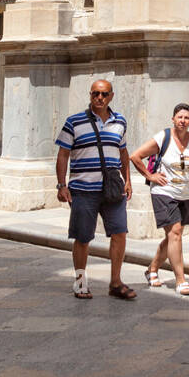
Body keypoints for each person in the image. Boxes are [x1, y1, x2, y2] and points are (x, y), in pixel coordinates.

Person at [55, 79, 136, 300]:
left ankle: (116, 282)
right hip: (83, 189)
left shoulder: (120, 121)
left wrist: (128, 180)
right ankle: (80, 282)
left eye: (104, 94)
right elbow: (63, 154)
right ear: (90, 95)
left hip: (112, 188)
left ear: (111, 96)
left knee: (120, 232)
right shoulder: (74, 121)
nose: (99, 98)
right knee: (83, 237)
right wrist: (62, 185)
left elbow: (123, 152)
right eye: (95, 94)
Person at [130, 104, 189, 296]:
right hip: (163, 192)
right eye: (179, 117)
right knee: (176, 233)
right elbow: (135, 156)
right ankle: (181, 280)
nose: (182, 121)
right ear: (173, 119)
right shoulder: (162, 137)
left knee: (172, 236)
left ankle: (152, 269)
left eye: (186, 118)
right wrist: (150, 176)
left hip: (184, 194)